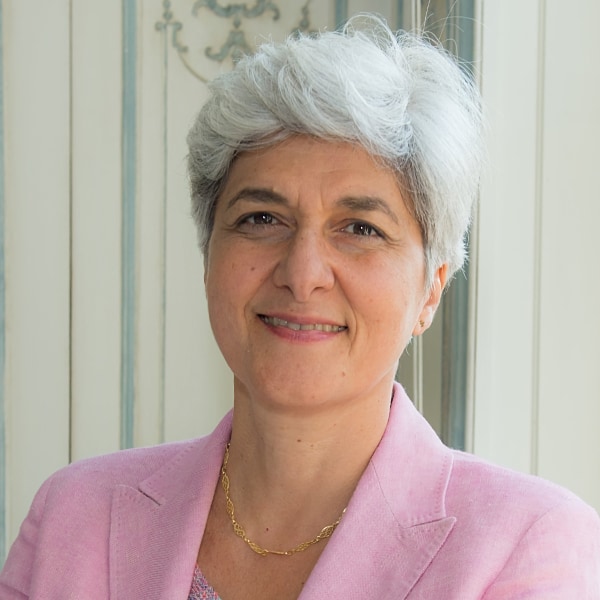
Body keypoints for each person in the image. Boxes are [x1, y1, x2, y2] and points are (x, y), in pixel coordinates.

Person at [1, 14, 599, 600]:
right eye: (261, 219)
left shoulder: (528, 545)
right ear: (209, 255)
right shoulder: (72, 517)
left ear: (432, 290)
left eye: (360, 228)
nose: (302, 274)